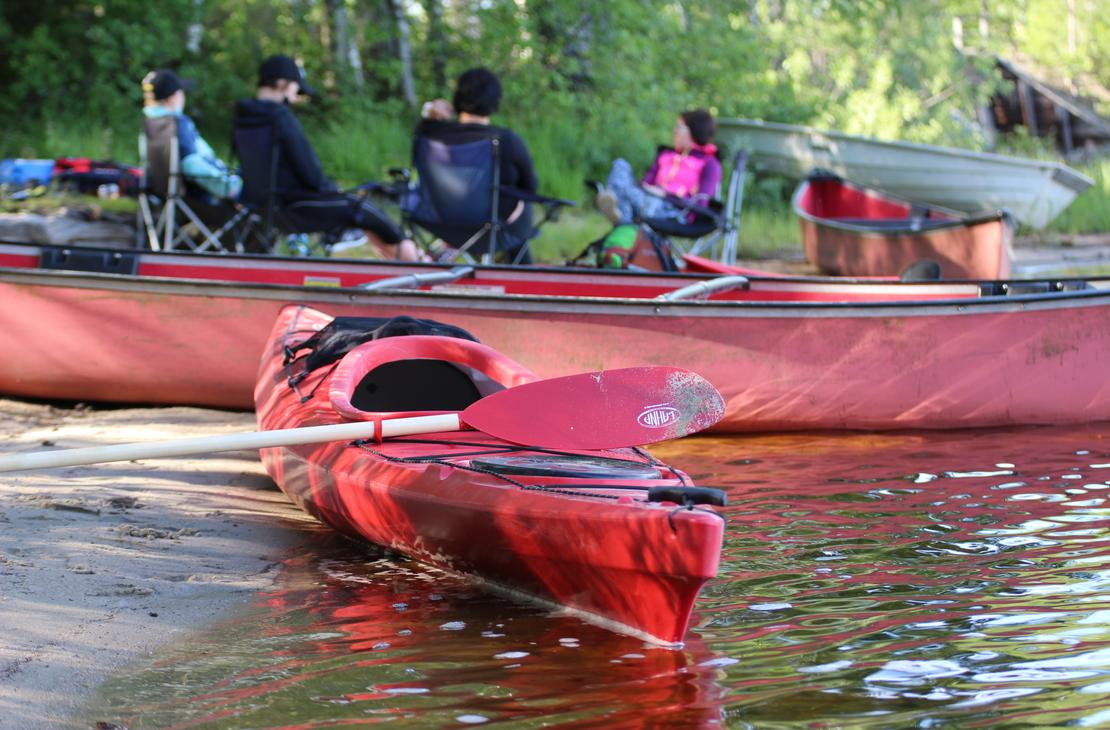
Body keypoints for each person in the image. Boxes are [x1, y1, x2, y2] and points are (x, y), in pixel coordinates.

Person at [233, 54, 426, 261]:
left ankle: (407, 264)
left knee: (364, 215)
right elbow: (310, 172)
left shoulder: (242, 117)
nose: (295, 96)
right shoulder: (281, 117)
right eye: (295, 89)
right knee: (361, 207)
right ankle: (422, 265)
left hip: (261, 206)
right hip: (296, 206)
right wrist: (333, 190)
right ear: (281, 83)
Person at [416, 67, 539, 263]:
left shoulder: (431, 135)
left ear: (457, 99)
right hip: (494, 229)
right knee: (521, 205)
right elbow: (531, 187)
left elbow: (424, 124)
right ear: (495, 102)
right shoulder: (507, 140)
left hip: (443, 224)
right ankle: (522, 271)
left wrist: (431, 112)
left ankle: (441, 254)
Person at [141, 68, 242, 223]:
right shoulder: (178, 124)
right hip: (197, 200)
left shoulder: (150, 123)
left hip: (162, 195)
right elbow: (191, 164)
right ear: (173, 98)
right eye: (181, 92)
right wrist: (229, 187)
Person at [596, 109, 721, 226]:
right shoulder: (666, 155)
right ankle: (620, 210)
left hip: (674, 211)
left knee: (626, 194)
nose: (674, 131)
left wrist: (665, 195)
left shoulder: (709, 163)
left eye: (679, 127)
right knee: (620, 165)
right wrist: (646, 189)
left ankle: (621, 215)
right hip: (647, 199)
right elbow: (646, 182)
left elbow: (701, 205)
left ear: (693, 131)